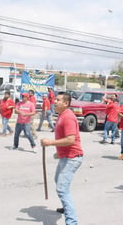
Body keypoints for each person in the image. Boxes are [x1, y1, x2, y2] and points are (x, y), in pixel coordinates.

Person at [41, 92, 83, 225]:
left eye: (58, 100)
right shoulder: (61, 115)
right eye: (55, 99)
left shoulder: (68, 117)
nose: (54, 101)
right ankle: (66, 207)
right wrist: (58, 152)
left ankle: (72, 222)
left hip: (72, 158)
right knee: (58, 180)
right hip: (65, 156)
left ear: (66, 103)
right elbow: (65, 139)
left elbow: (71, 139)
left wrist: (50, 143)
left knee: (62, 188)